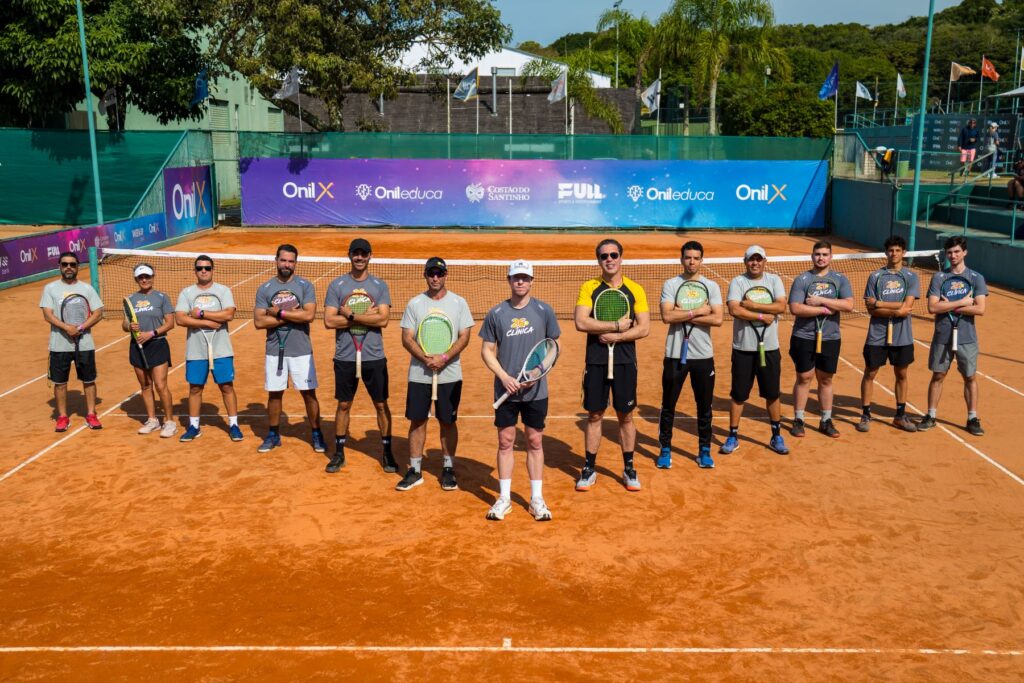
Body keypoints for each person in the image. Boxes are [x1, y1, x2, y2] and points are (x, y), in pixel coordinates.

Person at [480, 260, 561, 521]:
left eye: (525, 278)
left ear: (532, 280)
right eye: (516, 277)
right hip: (505, 388)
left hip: (536, 391)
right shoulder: (496, 313)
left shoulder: (544, 311)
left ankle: (536, 499)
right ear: (509, 280)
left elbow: (553, 347)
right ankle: (504, 498)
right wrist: (503, 377)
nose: (521, 282)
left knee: (534, 441)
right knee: (505, 442)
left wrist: (537, 374)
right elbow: (487, 350)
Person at [573, 239, 651, 492]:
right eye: (604, 255)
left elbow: (644, 327)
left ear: (621, 257)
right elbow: (582, 322)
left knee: (625, 416)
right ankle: (589, 468)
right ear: (599, 260)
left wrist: (616, 338)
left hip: (625, 362)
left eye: (613, 254)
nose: (609, 259)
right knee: (594, 414)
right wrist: (616, 326)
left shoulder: (635, 289)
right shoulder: (589, 287)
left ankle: (629, 467)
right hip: (595, 361)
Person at [396, 257, 474, 491]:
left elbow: (464, 336)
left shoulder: (459, 303)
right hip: (419, 373)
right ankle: (415, 470)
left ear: (446, 275)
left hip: (449, 373)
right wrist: (426, 359)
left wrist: (444, 357)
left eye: (439, 273)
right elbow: (407, 337)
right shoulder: (415, 304)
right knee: (418, 420)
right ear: (425, 275)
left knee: (447, 421)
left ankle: (448, 469)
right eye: (431, 273)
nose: (435, 278)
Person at [323, 238, 396, 473]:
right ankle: (339, 453)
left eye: (364, 254)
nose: (360, 258)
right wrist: (367, 316)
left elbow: (383, 319)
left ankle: (387, 453)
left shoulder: (379, 285)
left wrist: (352, 315)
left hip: (373, 356)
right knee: (344, 404)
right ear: (349, 255)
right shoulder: (337, 285)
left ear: (370, 256)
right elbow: (329, 320)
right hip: (344, 355)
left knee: (381, 404)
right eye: (356, 253)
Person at [657, 241, 723, 470]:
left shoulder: (711, 286)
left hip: (703, 356)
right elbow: (666, 317)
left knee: (704, 406)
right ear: (681, 259)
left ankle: (704, 449)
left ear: (702, 260)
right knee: (668, 405)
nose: (691, 261)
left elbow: (717, 319)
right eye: (688, 257)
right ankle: (665, 448)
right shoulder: (671, 284)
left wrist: (682, 313)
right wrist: (698, 311)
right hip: (675, 354)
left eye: (696, 258)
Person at [253, 244, 324, 454]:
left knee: (309, 394)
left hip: (302, 350)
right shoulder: (264, 289)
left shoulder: (305, 286)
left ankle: (317, 433)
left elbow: (308, 315)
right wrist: (292, 315)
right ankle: (274, 434)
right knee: (274, 394)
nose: (287, 264)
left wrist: (277, 313)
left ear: (295, 263)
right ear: (276, 260)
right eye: (283, 260)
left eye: (291, 261)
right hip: (274, 350)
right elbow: (259, 322)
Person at [918, 236, 988, 436]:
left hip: (967, 336)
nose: (953, 256)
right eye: (949, 252)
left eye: (957, 252)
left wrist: (948, 305)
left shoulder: (976, 278)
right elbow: (932, 307)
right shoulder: (939, 278)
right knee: (938, 375)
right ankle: (931, 415)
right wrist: (963, 303)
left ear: (964, 252)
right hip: (943, 335)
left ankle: (972, 418)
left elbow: (980, 309)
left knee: (970, 377)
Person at [723, 245, 789, 455]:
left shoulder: (774, 281)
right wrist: (762, 316)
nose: (755, 263)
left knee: (772, 394)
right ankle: (733, 436)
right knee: (738, 395)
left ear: (764, 261)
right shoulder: (737, 282)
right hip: (743, 348)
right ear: (745, 262)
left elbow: (781, 307)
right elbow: (734, 309)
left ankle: (776, 435)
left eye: (759, 259)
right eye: (751, 259)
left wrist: (751, 306)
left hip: (770, 348)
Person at [788, 241, 854, 438]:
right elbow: (796, 308)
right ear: (812, 256)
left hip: (830, 337)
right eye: (817, 254)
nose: (821, 258)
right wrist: (825, 309)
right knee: (804, 377)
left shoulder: (840, 280)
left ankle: (826, 420)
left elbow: (849, 305)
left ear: (831, 257)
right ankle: (798, 419)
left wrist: (820, 300)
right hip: (803, 336)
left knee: (825, 379)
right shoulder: (802, 279)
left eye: (825, 254)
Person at [174, 255, 243, 442]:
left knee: (226, 386)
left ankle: (234, 424)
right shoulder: (187, 293)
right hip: (196, 351)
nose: (203, 271)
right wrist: (208, 322)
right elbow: (180, 318)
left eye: (207, 268)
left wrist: (201, 314)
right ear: (195, 270)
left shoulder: (223, 291)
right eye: (199, 268)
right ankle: (194, 427)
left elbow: (228, 314)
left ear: (213, 269)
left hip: (222, 349)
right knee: (195, 388)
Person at [858, 235, 920, 433]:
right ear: (886, 253)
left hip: (903, 335)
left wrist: (880, 303)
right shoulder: (875, 277)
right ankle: (866, 414)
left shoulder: (911, 277)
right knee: (871, 372)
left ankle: (900, 415)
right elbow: (871, 309)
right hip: (877, 335)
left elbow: (907, 307)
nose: (894, 254)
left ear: (904, 253)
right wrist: (895, 309)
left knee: (902, 373)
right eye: (891, 250)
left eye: (898, 250)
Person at [40, 251, 104, 432]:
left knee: (89, 380)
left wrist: (81, 328)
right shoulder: (50, 288)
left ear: (78, 267)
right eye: (65, 264)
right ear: (59, 266)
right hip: (59, 345)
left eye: (72, 264)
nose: (69, 267)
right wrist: (67, 328)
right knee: (60, 383)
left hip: (84, 343)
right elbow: (47, 314)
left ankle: (91, 414)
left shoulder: (87, 289)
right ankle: (62, 417)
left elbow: (98, 312)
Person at [123, 263, 177, 437]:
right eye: (141, 277)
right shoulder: (130, 300)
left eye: (147, 276)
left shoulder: (162, 298)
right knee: (145, 386)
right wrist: (129, 326)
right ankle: (152, 420)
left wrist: (151, 333)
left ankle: (169, 422)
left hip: (157, 344)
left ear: (153, 277)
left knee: (161, 386)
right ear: (136, 279)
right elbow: (124, 324)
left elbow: (170, 323)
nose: (144, 280)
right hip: (137, 345)